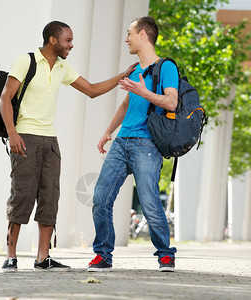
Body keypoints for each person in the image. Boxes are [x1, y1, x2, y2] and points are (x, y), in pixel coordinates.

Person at [0, 21, 137, 272]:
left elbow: (92, 90)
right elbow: (5, 98)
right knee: (21, 196)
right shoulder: (26, 61)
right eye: (68, 40)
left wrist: (121, 76)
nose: (71, 45)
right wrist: (12, 133)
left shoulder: (63, 67)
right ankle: (11, 256)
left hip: (50, 140)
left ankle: (43, 258)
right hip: (25, 136)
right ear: (53, 39)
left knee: (50, 197)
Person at [87, 16, 178, 272]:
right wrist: (108, 132)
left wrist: (144, 92)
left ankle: (165, 255)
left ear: (143, 35)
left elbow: (171, 102)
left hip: (147, 144)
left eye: (129, 33)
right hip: (122, 141)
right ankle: (103, 254)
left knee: (149, 203)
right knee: (100, 198)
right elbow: (127, 104)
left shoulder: (166, 67)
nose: (126, 38)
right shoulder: (135, 70)